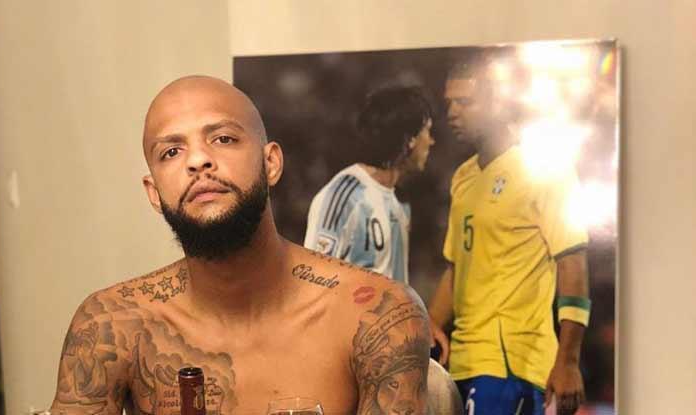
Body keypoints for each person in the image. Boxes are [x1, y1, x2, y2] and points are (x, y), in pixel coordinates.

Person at [49, 76, 432, 415]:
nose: (198, 160)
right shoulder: (110, 325)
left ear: (271, 163)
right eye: (171, 152)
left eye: (223, 139)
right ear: (154, 193)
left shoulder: (377, 315)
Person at [428, 57, 591, 415]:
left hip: (511, 364)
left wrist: (568, 361)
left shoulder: (545, 168)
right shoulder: (463, 176)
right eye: (449, 103)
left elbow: (573, 264)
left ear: (498, 103)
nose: (452, 113)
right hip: (461, 361)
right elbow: (456, 269)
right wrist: (429, 324)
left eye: (464, 102)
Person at [303, 86, 435, 286]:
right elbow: (312, 282)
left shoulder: (401, 200)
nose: (432, 141)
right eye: (428, 131)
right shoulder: (345, 197)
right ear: (410, 139)